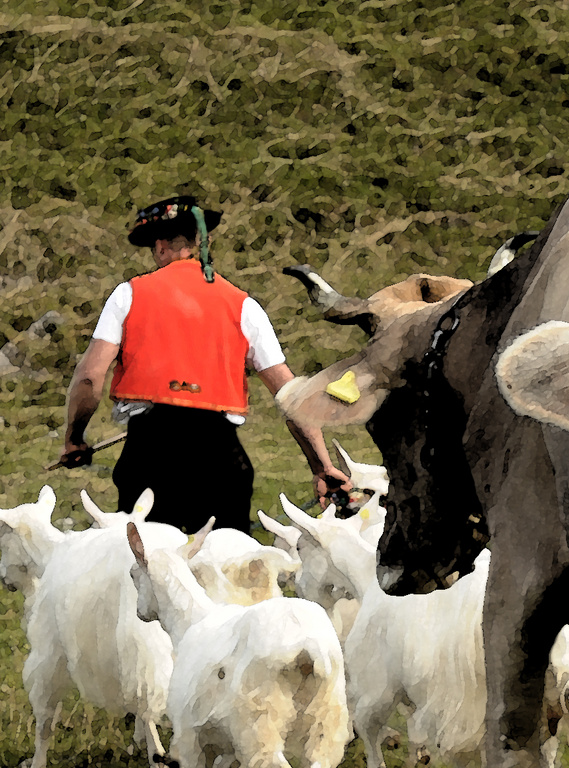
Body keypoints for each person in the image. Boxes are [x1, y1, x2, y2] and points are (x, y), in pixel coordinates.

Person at [58, 194, 350, 533]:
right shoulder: (243, 306)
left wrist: (75, 437)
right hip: (221, 461)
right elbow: (291, 395)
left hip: (150, 456)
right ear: (198, 242)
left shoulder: (129, 295)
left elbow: (90, 379)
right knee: (223, 574)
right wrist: (321, 466)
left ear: (162, 245)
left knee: (153, 571)